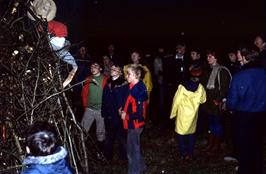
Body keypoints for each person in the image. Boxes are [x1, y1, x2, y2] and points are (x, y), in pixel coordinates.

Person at [227, 48, 266, 174]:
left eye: (240, 56)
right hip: (261, 115)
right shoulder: (264, 73)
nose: (238, 58)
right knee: (258, 144)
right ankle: (257, 169)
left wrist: (230, 107)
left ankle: (244, 170)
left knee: (244, 146)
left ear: (245, 57)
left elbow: (231, 102)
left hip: (243, 116)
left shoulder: (239, 75)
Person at [170, 67, 206, 160]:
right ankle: (190, 153)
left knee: (181, 135)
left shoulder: (182, 87)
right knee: (191, 135)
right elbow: (203, 100)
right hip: (192, 116)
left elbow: (176, 101)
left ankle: (183, 153)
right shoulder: (200, 87)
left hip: (182, 115)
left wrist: (173, 113)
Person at [201, 49, 232, 155]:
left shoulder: (222, 70)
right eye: (207, 56)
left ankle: (216, 146)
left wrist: (218, 100)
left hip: (216, 104)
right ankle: (210, 143)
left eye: (210, 57)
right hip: (208, 103)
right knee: (210, 125)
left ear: (216, 58)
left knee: (217, 125)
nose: (208, 58)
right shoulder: (208, 70)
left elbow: (225, 87)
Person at [120, 64, 148, 174]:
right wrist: (123, 110)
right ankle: (141, 167)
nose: (126, 76)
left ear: (136, 75)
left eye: (129, 74)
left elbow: (140, 114)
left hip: (135, 124)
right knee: (134, 148)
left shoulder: (138, 92)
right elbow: (129, 103)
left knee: (132, 151)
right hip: (132, 123)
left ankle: (134, 171)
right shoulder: (133, 86)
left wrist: (126, 116)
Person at [102, 63, 127, 161]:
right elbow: (104, 99)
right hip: (108, 115)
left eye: (115, 68)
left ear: (120, 72)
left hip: (119, 116)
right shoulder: (107, 83)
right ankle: (108, 157)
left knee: (122, 138)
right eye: (111, 68)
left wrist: (123, 112)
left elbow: (125, 100)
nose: (112, 69)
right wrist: (104, 112)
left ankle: (124, 157)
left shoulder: (124, 84)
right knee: (109, 137)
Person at [81, 62, 108, 149]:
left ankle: (100, 152)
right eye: (91, 66)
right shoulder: (88, 79)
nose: (93, 68)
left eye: (96, 66)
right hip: (89, 110)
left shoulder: (106, 79)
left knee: (100, 132)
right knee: (83, 130)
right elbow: (84, 94)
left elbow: (109, 95)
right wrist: (85, 106)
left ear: (100, 69)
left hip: (101, 110)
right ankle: (81, 150)